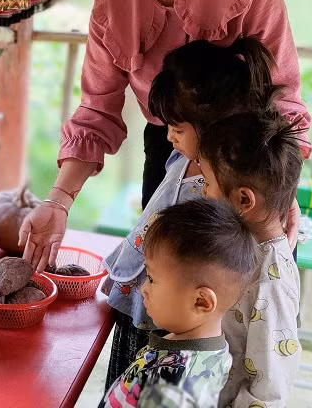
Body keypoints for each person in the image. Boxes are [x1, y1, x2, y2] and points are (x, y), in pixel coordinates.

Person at [18, 0, 311, 273]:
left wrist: (281, 191)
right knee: (161, 290)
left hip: (250, 161)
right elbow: (97, 111)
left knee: (243, 299)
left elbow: (283, 99)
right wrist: (57, 202)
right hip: (168, 148)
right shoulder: (114, 3)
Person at [101, 37, 280, 386]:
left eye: (177, 128)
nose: (168, 136)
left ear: (214, 128)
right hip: (148, 301)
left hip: (174, 320)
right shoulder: (183, 157)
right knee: (127, 384)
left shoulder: (219, 192)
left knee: (150, 388)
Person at [99, 198, 258, 408]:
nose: (143, 288)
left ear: (201, 302)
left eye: (152, 279)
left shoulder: (170, 388)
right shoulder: (211, 349)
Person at [199, 109, 304, 407]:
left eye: (206, 184)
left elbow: (271, 387)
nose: (203, 193)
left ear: (244, 200)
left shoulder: (270, 283)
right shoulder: (240, 243)